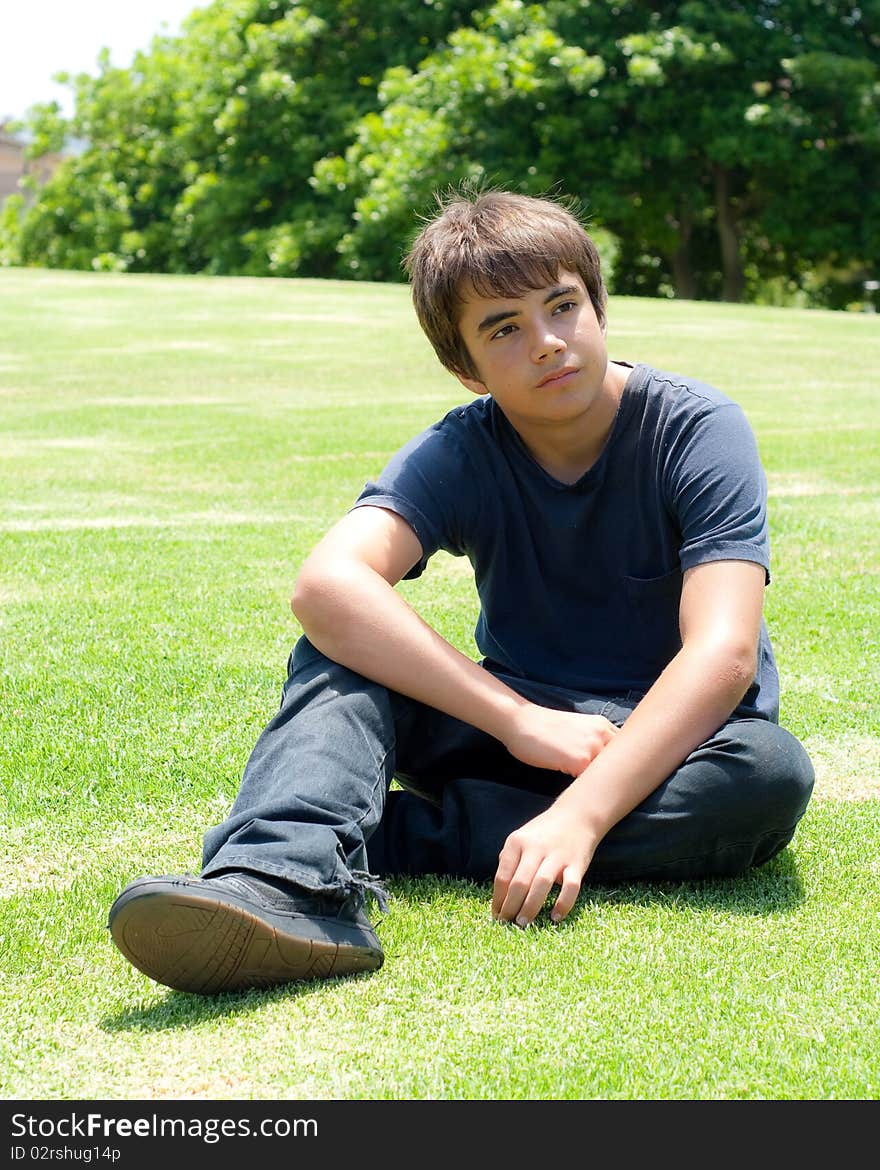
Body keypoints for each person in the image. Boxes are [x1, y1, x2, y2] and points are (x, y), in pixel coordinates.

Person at [108, 189, 815, 995]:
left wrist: (581, 815)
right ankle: (281, 883)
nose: (547, 343)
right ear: (464, 366)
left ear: (598, 308)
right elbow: (327, 584)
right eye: (504, 328)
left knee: (768, 776)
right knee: (343, 650)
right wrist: (519, 722)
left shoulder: (695, 427)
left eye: (562, 306)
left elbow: (721, 654)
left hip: (675, 747)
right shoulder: (462, 449)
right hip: (521, 730)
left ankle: (396, 841)